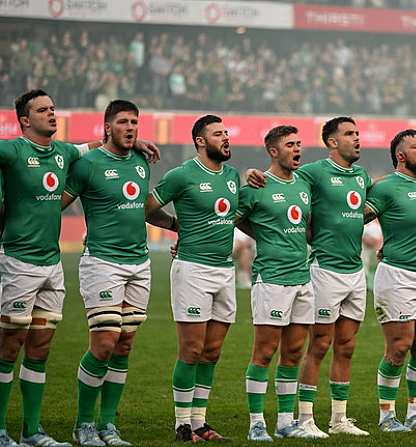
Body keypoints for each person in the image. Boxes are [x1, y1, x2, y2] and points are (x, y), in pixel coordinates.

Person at [0, 89, 158, 447]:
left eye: (53, 108)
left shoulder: (64, 153)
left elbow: (92, 145)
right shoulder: (13, 149)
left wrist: (136, 139)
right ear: (25, 120)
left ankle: (32, 431)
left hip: (52, 264)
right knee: (9, 347)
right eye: (43, 110)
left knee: (40, 348)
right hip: (18, 260)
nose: (52, 114)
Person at [245, 117, 372, 437]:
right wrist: (251, 174)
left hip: (353, 271)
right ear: (332, 142)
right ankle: (292, 418)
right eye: (349, 134)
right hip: (319, 271)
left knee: (343, 346)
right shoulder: (310, 174)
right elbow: (265, 190)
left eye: (358, 133)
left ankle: (336, 419)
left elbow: (371, 204)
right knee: (313, 346)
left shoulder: (361, 175)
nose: (357, 139)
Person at [62, 100, 176, 446]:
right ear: (107, 126)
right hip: (102, 263)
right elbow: (56, 204)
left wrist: (174, 226)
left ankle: (108, 425)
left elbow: (142, 210)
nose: (131, 128)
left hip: (139, 264)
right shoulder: (87, 164)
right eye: (123, 122)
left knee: (124, 345)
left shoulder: (142, 163)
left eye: (135, 123)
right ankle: (83, 425)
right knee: (104, 342)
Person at [145, 115, 239, 442]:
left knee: (212, 351)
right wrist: (174, 226)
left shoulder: (232, 176)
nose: (225, 138)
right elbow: (146, 207)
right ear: (201, 141)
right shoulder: (181, 175)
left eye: (226, 133)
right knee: (191, 349)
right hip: (192, 270)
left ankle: (200, 422)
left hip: (225, 271)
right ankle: (182, 425)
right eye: (218, 134)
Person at [237, 126, 318, 441]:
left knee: (294, 352)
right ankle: (256, 422)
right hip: (271, 278)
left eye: (299, 143)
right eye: (290, 144)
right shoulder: (257, 186)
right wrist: (261, 232)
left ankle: (286, 422)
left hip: (302, 276)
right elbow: (234, 217)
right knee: (265, 352)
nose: (297, 148)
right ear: (273, 151)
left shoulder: (303, 184)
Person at [363, 130, 416, 432]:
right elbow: (352, 216)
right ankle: (386, 416)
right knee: (398, 348)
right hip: (398, 275)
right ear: (401, 156)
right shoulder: (385, 188)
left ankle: (415, 415)